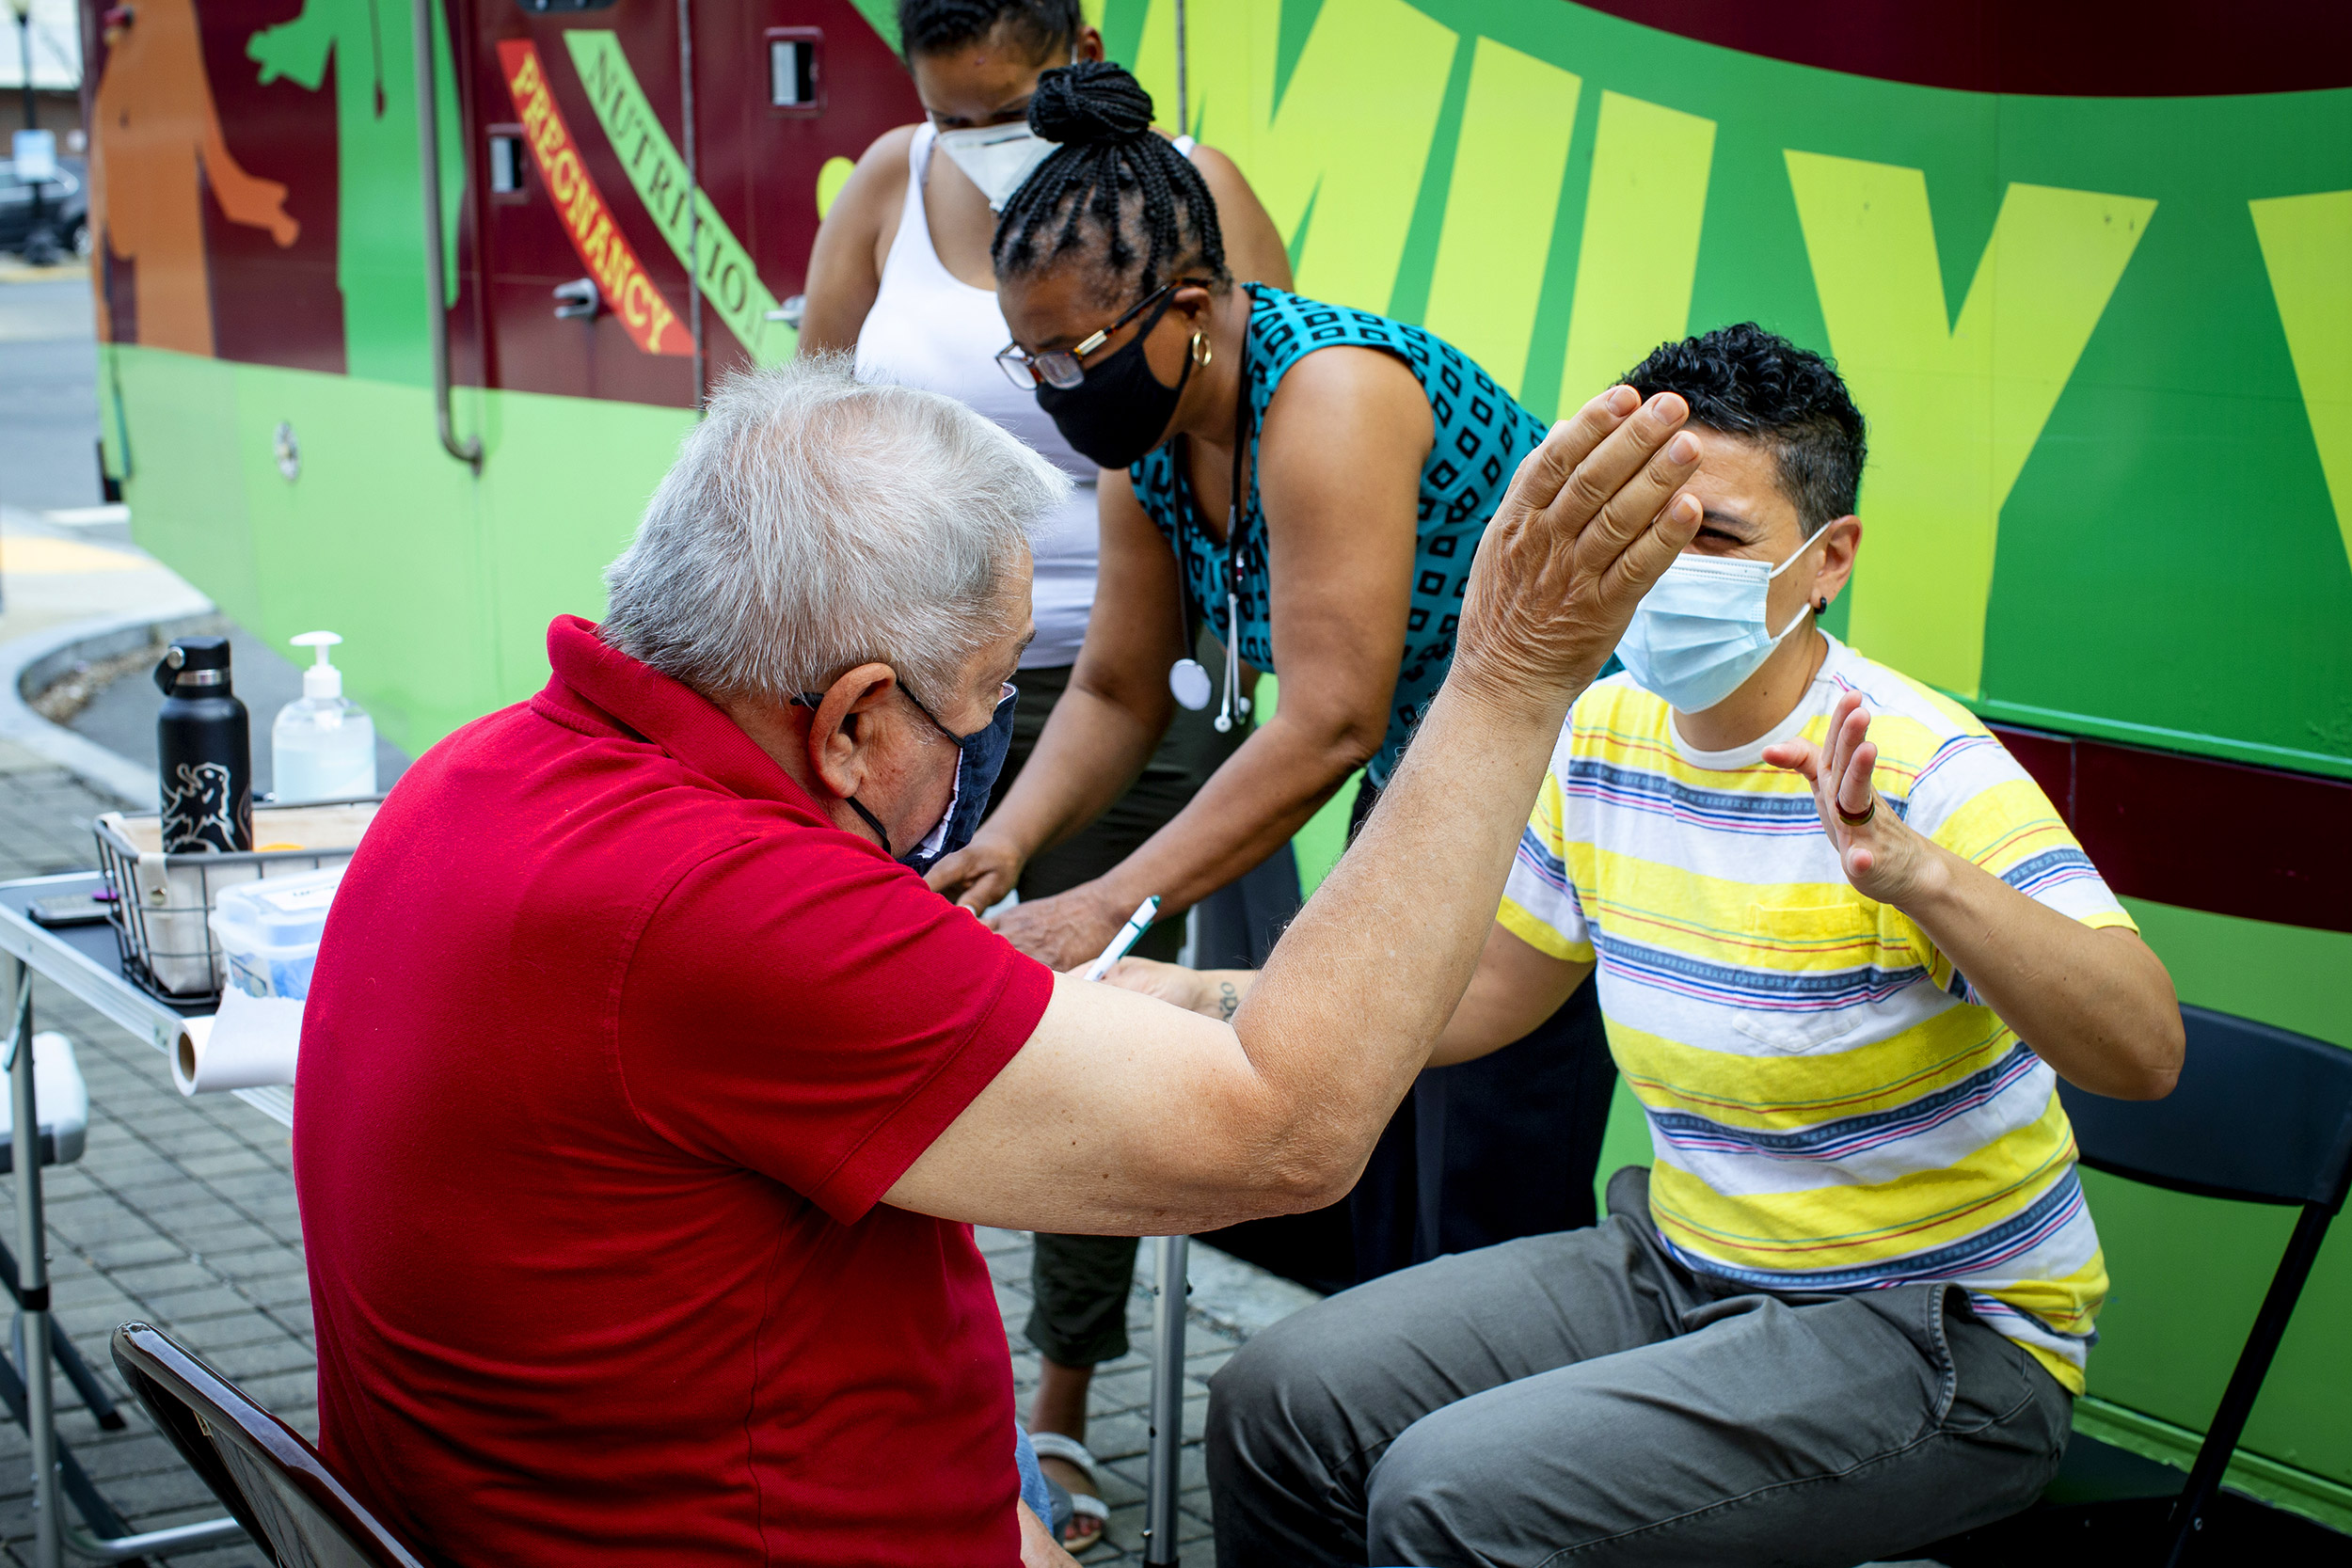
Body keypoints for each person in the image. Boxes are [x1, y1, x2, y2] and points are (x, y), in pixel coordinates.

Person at [292, 356, 1714, 1566]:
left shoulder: (483, 773)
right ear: (852, 720)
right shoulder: (737, 908)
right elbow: (1290, 1130)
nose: (991, 752)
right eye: (987, 702)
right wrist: (1512, 673)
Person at [1119, 325, 2187, 1567]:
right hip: (1684, 1265)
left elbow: (2145, 1049)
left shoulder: (1920, 765)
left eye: (1720, 538)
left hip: (1935, 1336)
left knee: (1447, 1499)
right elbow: (1487, 997)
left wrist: (1917, 875)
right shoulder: (1605, 728)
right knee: (1279, 1399)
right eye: (1646, 526)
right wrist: (1201, 999)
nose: (1671, 567)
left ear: (1828, 558)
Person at [930, 48, 1618, 1281]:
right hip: (1435, 772)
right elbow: (1115, 688)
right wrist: (1009, 845)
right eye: (1026, 361)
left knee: (1480, 1184)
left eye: (1071, 356)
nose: (1052, 390)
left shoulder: (1331, 397)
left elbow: (1331, 724)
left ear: (1191, 307)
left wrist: (1106, 903)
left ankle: (1485, 1452)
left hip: (1559, 772)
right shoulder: (1143, 437)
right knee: (1379, 1147)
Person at [800, 10, 1293, 1539]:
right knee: (872, 1031)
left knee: (1069, 1041)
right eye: (950, 114)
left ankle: (1056, 1410)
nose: (979, 141)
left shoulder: (1182, 194)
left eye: (1005, 110)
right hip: (908, 696)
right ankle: (887, 1384)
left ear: (1079, 45)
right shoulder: (887, 185)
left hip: (1132, 689)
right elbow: (803, 422)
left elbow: (1258, 423)